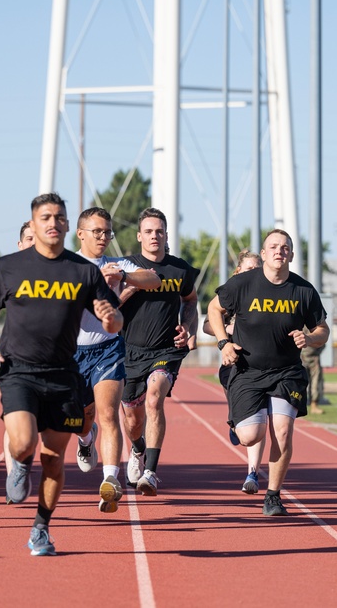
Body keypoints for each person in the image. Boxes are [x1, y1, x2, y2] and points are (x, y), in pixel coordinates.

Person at [0, 193, 122, 556]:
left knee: (53, 458)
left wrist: (112, 318)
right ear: (33, 224)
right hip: (19, 371)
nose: (53, 223)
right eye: (45, 217)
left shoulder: (83, 272)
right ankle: (18, 465)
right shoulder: (9, 267)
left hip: (64, 374)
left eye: (59, 217)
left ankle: (41, 528)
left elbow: (114, 319)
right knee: (22, 443)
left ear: (67, 225)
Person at [207, 229, 330, 516]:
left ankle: (273, 496)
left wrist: (309, 338)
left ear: (291, 254)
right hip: (247, 370)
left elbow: (322, 330)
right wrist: (223, 343)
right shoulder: (242, 284)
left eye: (285, 247)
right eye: (273, 247)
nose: (279, 251)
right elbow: (214, 308)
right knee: (251, 436)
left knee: (283, 433)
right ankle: (241, 420)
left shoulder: (303, 290)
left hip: (286, 372)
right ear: (263, 254)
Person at [73, 207, 161, 512]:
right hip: (72, 353)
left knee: (109, 414)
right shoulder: (67, 265)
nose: (103, 237)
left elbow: (153, 278)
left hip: (107, 348)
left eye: (107, 232)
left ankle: (110, 481)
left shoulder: (114, 263)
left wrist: (123, 275)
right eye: (96, 232)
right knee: (83, 418)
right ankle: (86, 440)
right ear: (80, 233)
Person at [119, 208, 200, 496]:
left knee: (154, 398)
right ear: (139, 235)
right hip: (128, 351)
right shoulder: (124, 267)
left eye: (160, 231)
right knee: (132, 418)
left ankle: (151, 472)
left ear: (166, 235)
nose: (155, 236)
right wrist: (131, 287)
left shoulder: (180, 269)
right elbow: (105, 306)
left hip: (166, 349)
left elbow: (191, 300)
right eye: (149, 231)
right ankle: (138, 449)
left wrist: (187, 326)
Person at [202, 249, 268, 494]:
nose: (254, 272)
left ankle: (252, 473)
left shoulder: (270, 293)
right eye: (249, 268)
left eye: (257, 268)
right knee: (242, 421)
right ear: (238, 271)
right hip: (233, 366)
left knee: (261, 418)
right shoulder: (232, 293)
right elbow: (207, 323)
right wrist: (227, 330)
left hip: (263, 367)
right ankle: (234, 421)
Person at [2, 220, 35, 478]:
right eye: (29, 238)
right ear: (20, 244)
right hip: (15, 358)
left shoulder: (64, 272)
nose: (35, 243)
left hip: (55, 360)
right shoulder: (7, 273)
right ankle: (14, 472)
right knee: (13, 419)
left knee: (44, 426)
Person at [302, 345, 327, 415]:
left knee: (315, 382)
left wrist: (316, 352)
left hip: (314, 357)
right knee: (299, 382)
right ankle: (297, 404)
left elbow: (322, 341)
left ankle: (314, 405)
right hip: (300, 357)